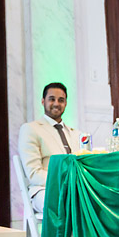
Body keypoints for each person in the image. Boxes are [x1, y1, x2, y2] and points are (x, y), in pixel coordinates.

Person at [17, 82, 79, 213]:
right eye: (52, 99)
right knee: (62, 204)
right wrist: (65, 181)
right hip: (44, 189)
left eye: (61, 100)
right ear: (43, 101)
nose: (56, 103)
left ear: (66, 103)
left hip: (75, 188)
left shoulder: (76, 133)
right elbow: (33, 174)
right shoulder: (31, 129)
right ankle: (58, 235)